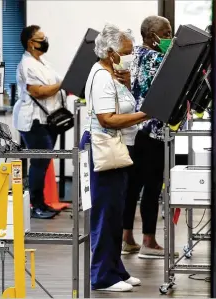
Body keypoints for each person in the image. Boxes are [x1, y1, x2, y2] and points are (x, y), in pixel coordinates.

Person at [79, 24, 148, 292]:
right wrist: (147, 113)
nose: (130, 56)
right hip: (103, 148)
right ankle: (101, 277)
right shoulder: (101, 77)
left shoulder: (113, 74)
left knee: (115, 213)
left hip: (117, 148)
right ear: (110, 52)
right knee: (104, 214)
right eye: (127, 52)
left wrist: (128, 85)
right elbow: (107, 119)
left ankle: (115, 269)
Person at [122, 16, 179, 259]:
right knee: (153, 186)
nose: (170, 37)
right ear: (152, 36)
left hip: (133, 130)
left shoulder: (132, 56)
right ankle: (149, 241)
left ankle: (127, 238)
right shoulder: (160, 59)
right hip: (153, 130)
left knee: (132, 186)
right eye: (166, 33)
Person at [13, 25, 65, 219]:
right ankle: (36, 205)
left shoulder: (42, 62)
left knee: (43, 162)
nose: (45, 41)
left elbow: (58, 83)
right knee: (39, 162)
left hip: (47, 119)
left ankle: (41, 202)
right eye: (41, 38)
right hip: (33, 120)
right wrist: (61, 85)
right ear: (30, 43)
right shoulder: (27, 65)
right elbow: (38, 91)